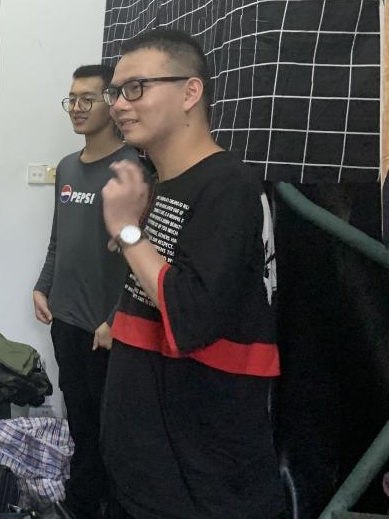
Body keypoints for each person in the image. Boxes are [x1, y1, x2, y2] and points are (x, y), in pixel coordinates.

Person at [99, 29, 283, 519]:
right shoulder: (162, 184)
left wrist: (127, 231)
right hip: (144, 469)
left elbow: (194, 313)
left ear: (190, 92)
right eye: (115, 92)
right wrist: (117, 320)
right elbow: (158, 283)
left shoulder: (228, 186)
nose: (119, 105)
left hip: (198, 480)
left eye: (135, 88)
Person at [32, 65, 138, 519]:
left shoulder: (132, 170)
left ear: (111, 103)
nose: (76, 107)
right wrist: (43, 285)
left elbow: (140, 255)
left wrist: (115, 318)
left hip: (105, 329)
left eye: (86, 99)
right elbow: (59, 238)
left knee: (108, 427)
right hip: (66, 318)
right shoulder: (67, 168)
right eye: (71, 99)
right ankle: (80, 501)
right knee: (77, 416)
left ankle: (101, 504)